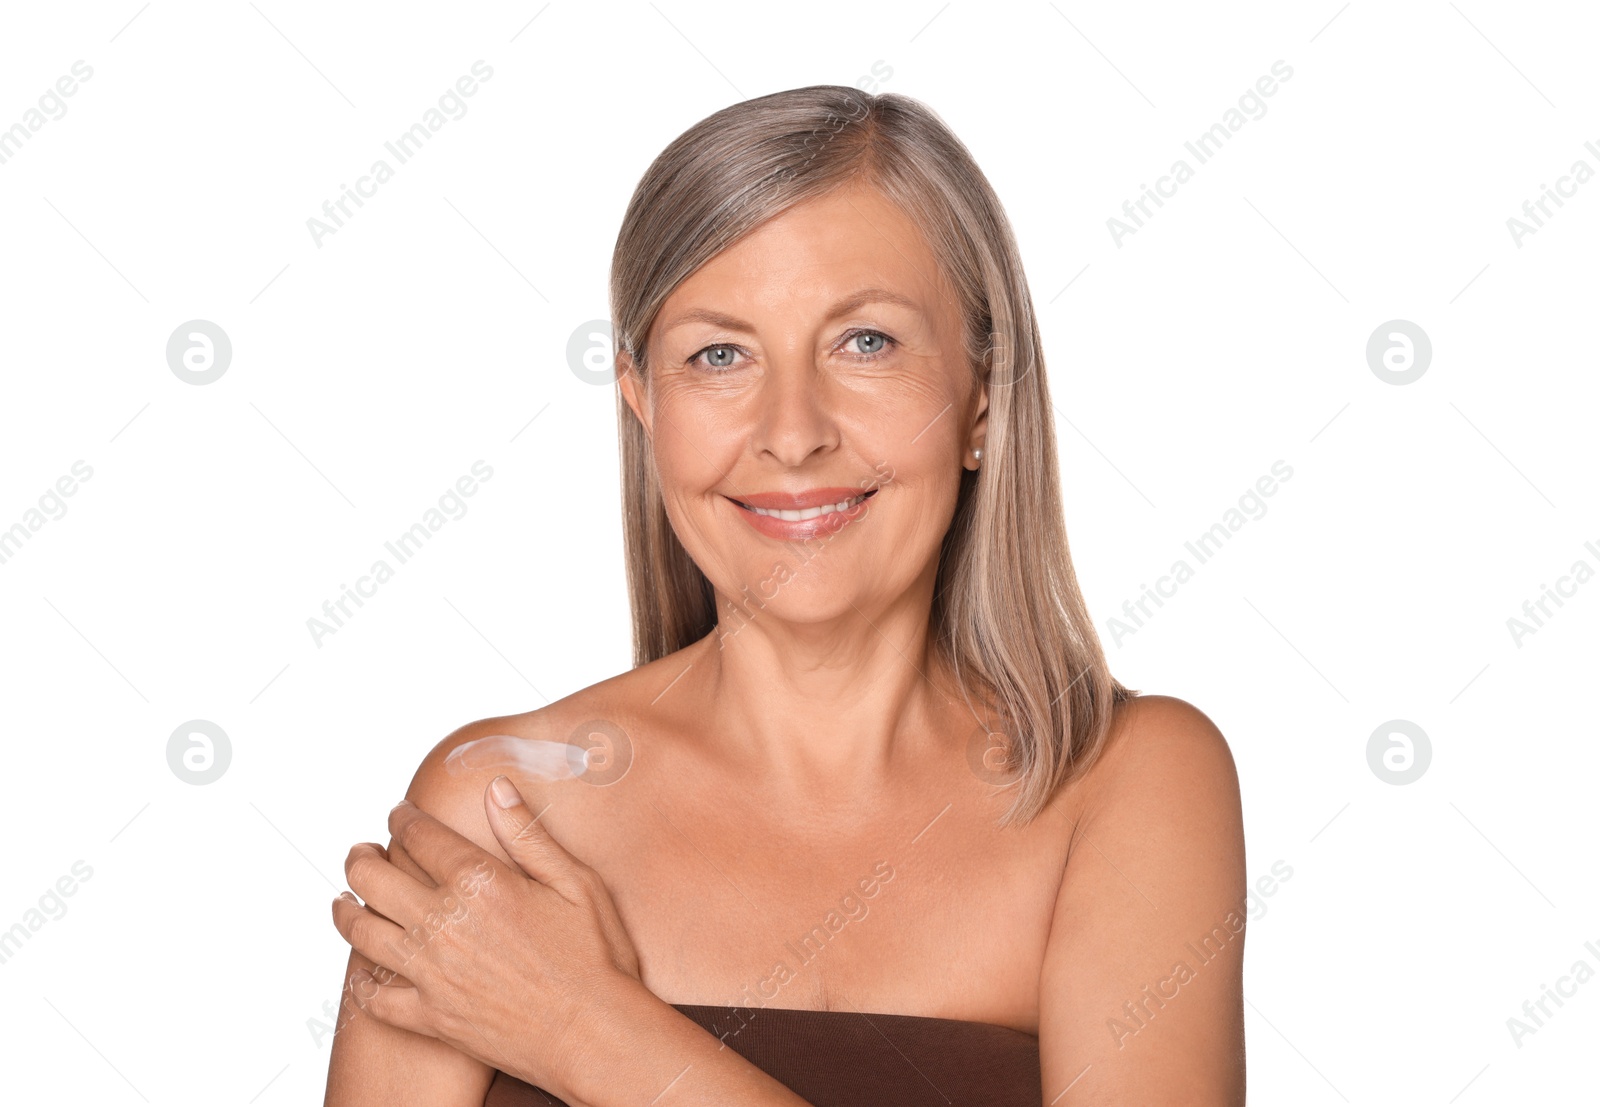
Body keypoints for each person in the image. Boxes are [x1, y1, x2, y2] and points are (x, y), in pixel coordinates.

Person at [323, 84, 1246, 1106]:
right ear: (644, 406)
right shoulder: (495, 809)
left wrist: (584, 1029)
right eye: (720, 355)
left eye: (866, 343)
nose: (793, 430)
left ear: (982, 393)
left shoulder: (1124, 785)